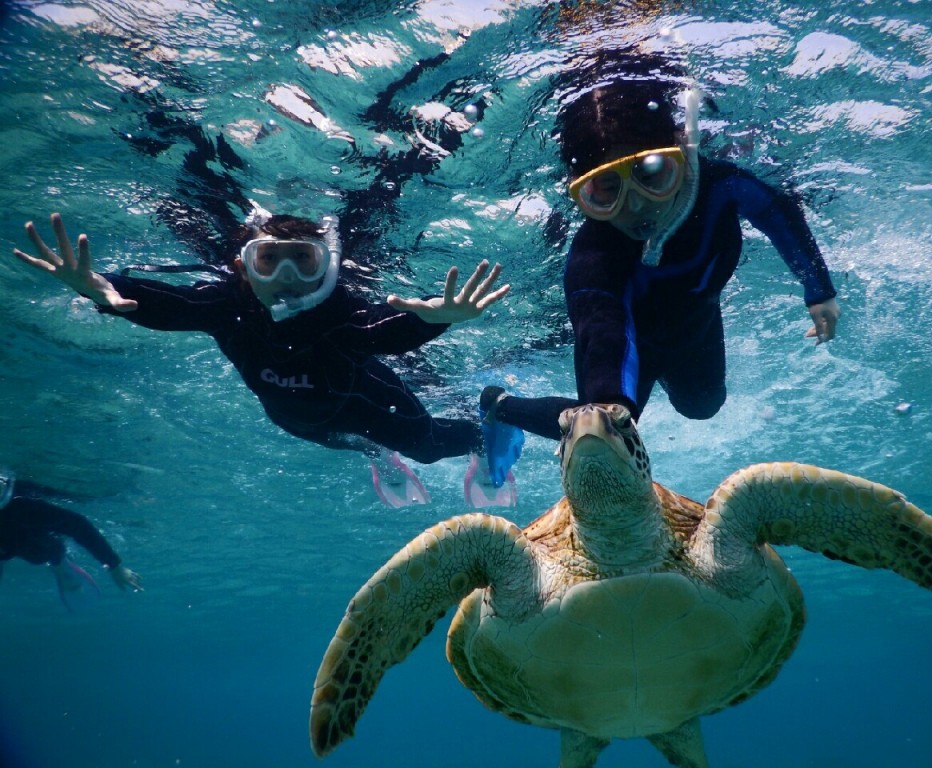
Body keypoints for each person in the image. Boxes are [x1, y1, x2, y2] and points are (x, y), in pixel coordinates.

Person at [12, 210, 523, 508]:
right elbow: (167, 304)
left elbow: (384, 331)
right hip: (295, 419)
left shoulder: (340, 312)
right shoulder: (225, 304)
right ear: (244, 266)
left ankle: (485, 433)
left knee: (429, 448)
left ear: (326, 267)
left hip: (372, 403)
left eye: (303, 260)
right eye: (269, 259)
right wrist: (105, 290)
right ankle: (378, 459)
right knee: (350, 446)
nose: (285, 275)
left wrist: (439, 317)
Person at [479, 75, 840, 452]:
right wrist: (607, 408)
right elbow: (604, 332)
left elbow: (777, 210)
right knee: (603, 430)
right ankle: (499, 406)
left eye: (651, 171)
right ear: (582, 193)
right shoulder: (594, 259)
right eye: (607, 187)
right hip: (628, 346)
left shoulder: (719, 186)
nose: (636, 204)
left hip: (695, 329)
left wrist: (818, 289)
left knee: (703, 407)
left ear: (682, 150)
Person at [0, 469, 143, 609]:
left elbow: (78, 525)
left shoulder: (22, 508)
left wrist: (115, 566)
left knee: (38, 553)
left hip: (30, 540)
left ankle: (60, 563)